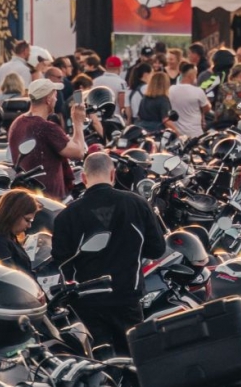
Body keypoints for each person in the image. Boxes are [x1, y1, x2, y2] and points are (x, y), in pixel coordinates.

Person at [51, 151, 167, 354]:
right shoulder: (137, 204)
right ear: (113, 175)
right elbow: (157, 249)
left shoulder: (66, 216)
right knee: (135, 358)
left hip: (86, 302)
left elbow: (61, 261)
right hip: (127, 297)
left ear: (84, 178)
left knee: (98, 360)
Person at [9, 79, 87, 198]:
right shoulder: (46, 127)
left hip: (26, 196)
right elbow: (78, 152)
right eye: (55, 96)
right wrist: (78, 121)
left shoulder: (17, 122)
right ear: (48, 100)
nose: (56, 100)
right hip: (49, 198)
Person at [0, 188, 42, 272]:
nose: (29, 226)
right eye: (27, 220)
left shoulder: (9, 239)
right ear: (14, 215)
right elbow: (8, 277)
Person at [167, 65, 209, 140]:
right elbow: (207, 108)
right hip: (195, 133)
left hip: (177, 134)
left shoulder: (171, 89)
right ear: (191, 76)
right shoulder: (198, 91)